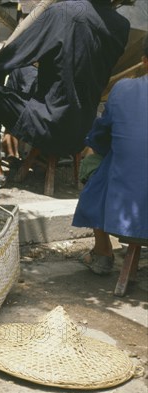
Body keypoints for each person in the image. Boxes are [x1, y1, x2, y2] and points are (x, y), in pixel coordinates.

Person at [0, 0, 130, 171]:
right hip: (83, 131)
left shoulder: (63, 12)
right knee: (20, 72)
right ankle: (11, 140)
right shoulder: (122, 26)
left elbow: (12, 56)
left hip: (49, 127)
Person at [72, 34, 148, 275]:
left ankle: (103, 253)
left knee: (93, 160)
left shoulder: (125, 89)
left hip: (127, 217)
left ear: (144, 61)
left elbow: (99, 139)